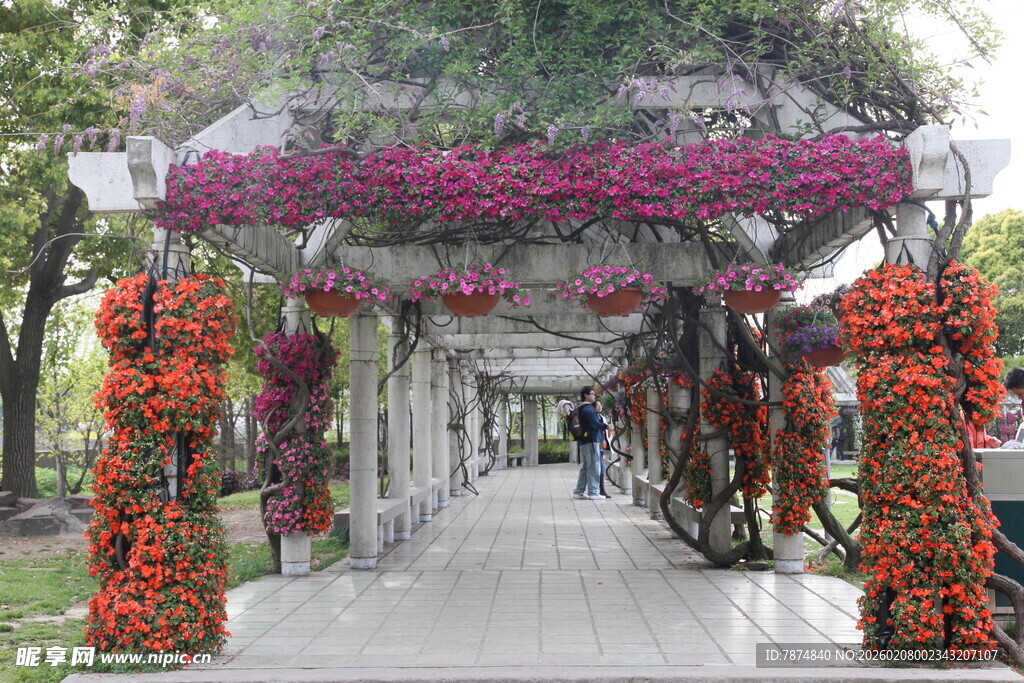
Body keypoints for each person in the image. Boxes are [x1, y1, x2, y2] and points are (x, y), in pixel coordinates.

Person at [572, 386, 605, 501]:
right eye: (592, 394)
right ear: (585, 395)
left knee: (586, 466)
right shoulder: (588, 409)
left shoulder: (581, 408)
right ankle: (593, 492)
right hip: (591, 440)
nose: (594, 396)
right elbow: (594, 424)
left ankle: (579, 491)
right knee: (594, 466)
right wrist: (606, 426)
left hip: (584, 440)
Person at [596, 401, 612, 498]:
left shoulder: (601, 418)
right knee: (600, 468)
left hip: (601, 446)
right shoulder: (595, 418)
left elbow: (607, 433)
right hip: (596, 444)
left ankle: (601, 490)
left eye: (601, 405)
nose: (600, 407)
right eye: (598, 405)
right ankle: (600, 490)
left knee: (601, 468)